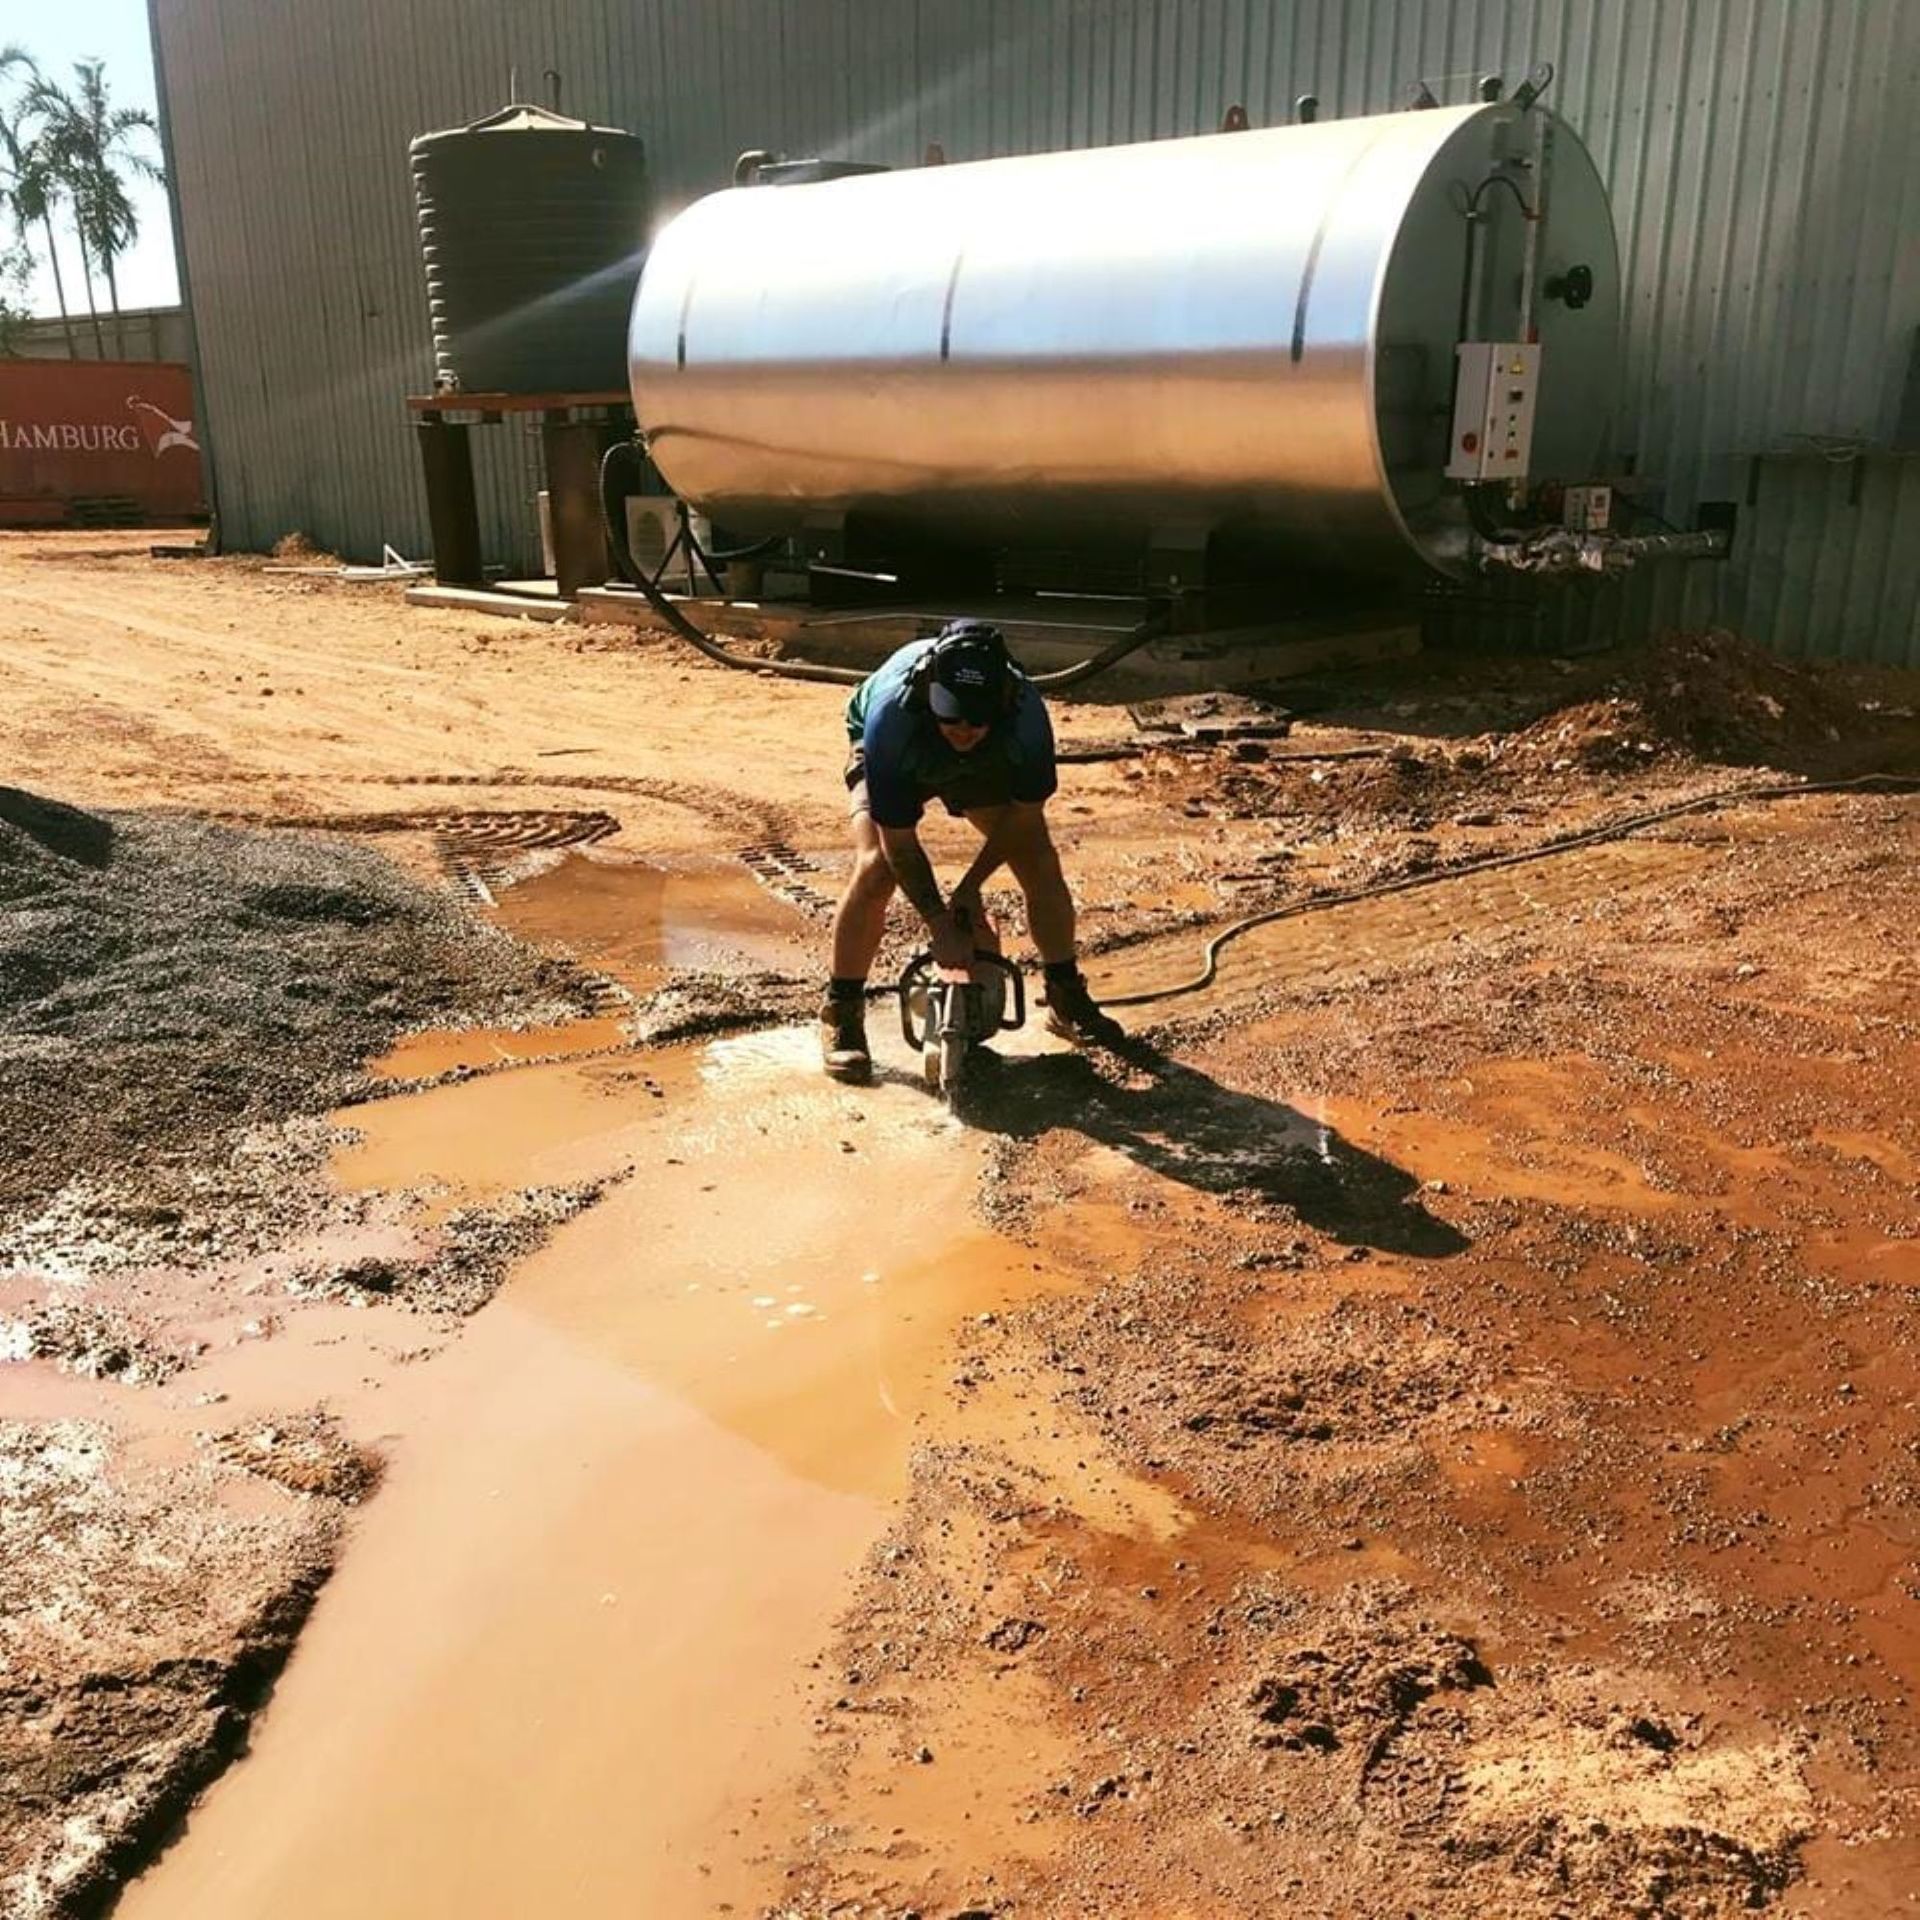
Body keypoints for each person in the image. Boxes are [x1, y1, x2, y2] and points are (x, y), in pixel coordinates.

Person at [820, 619, 1121, 1083]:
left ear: (1000, 705)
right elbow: (898, 841)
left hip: (988, 760)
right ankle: (841, 1012)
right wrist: (940, 923)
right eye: (951, 714)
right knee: (877, 867)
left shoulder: (1026, 720)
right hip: (898, 751)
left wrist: (967, 890)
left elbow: (1020, 820)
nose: (962, 729)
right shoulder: (891, 718)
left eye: (976, 718)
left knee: (1038, 858)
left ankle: (1065, 995)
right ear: (931, 693)